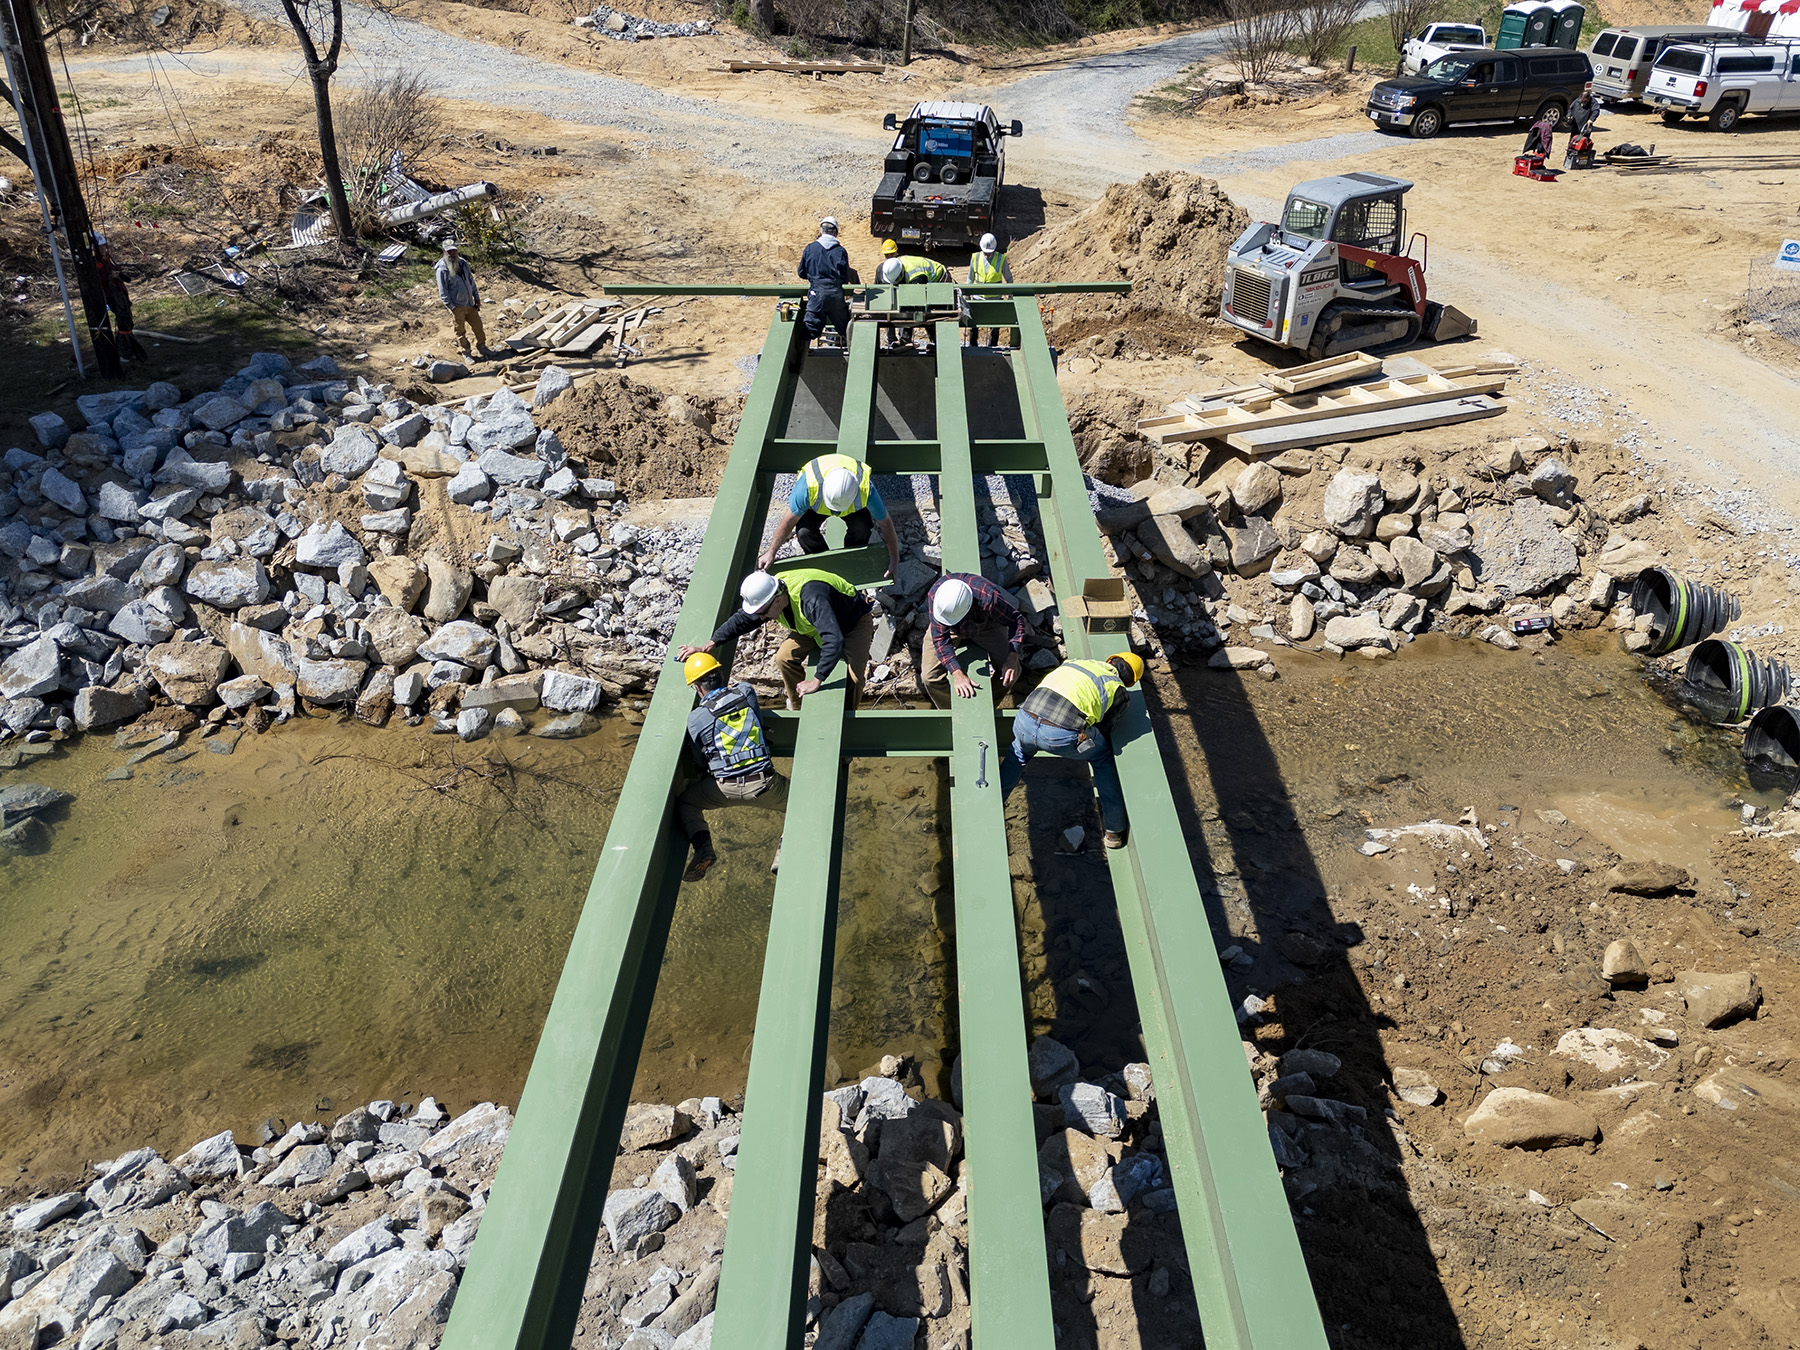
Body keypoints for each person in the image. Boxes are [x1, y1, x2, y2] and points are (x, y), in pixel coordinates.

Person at [999, 652, 1145, 849]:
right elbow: (1105, 728)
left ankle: (992, 803)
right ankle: (1114, 830)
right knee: (1102, 757)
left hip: (1024, 718)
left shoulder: (1076, 663)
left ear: (1110, 660)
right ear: (1129, 682)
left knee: (1017, 754)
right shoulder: (1118, 689)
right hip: (1058, 736)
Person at [679, 568, 874, 710]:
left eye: (763, 613)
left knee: (854, 678)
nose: (761, 618)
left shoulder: (812, 599)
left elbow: (834, 639)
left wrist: (816, 680)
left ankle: (846, 722)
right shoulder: (772, 595)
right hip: (811, 627)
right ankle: (799, 708)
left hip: (850, 623)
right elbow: (742, 620)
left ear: (778, 601)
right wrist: (709, 644)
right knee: (784, 657)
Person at [675, 650, 788, 882]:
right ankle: (784, 852)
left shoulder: (695, 718)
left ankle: (704, 848)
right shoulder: (745, 691)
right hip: (764, 786)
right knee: (800, 802)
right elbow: (757, 721)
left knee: (687, 803)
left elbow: (700, 761)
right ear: (721, 673)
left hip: (722, 788)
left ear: (697, 688)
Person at [758, 453, 899, 577]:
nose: (836, 511)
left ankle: (852, 559)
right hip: (817, 504)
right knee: (804, 533)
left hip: (847, 504)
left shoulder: (866, 490)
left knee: (861, 528)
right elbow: (788, 522)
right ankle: (821, 562)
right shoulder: (807, 488)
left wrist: (894, 557)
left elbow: (886, 523)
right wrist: (771, 552)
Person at [921, 572, 1024, 708]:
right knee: (929, 677)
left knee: (1012, 671)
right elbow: (940, 640)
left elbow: (1016, 620)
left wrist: (1012, 657)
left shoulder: (988, 598)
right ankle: (950, 710)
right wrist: (957, 674)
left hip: (985, 626)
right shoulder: (937, 596)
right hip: (950, 629)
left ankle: (987, 706)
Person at [796, 216, 860, 348]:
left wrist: (815, 277)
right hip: (836, 296)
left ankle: (800, 354)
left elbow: (801, 272)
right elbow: (844, 277)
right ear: (836, 232)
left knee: (809, 328)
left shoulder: (810, 248)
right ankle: (853, 350)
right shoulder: (840, 251)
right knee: (847, 328)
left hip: (816, 296)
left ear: (821, 231)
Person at [877, 248, 952, 350]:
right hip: (922, 279)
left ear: (901, 274)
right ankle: (905, 339)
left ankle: (936, 342)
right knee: (910, 306)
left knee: (927, 311)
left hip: (939, 279)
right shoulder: (894, 265)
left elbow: (917, 305)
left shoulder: (915, 277)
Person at [92, 234, 147, 362]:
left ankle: (129, 347)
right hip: (110, 295)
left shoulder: (108, 259)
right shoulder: (96, 263)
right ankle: (123, 351)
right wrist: (110, 276)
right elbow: (96, 279)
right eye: (100, 247)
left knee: (127, 319)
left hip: (120, 293)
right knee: (122, 320)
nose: (104, 249)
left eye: (104, 246)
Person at [436, 240, 487, 358]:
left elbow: (471, 281)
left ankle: (482, 347)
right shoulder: (442, 269)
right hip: (457, 306)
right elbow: (443, 291)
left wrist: (476, 298)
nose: (452, 253)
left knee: (478, 326)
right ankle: (466, 352)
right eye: (449, 251)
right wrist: (452, 307)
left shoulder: (463, 263)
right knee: (460, 331)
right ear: (444, 251)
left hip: (470, 303)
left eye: (454, 250)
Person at [964, 232, 1013, 349]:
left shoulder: (1001, 259)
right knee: (973, 323)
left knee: (995, 325)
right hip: (978, 298)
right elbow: (970, 277)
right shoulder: (975, 258)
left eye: (989, 251)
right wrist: (967, 294)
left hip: (995, 299)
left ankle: (992, 346)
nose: (987, 253)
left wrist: (1010, 295)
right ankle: (973, 346)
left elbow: (1009, 278)